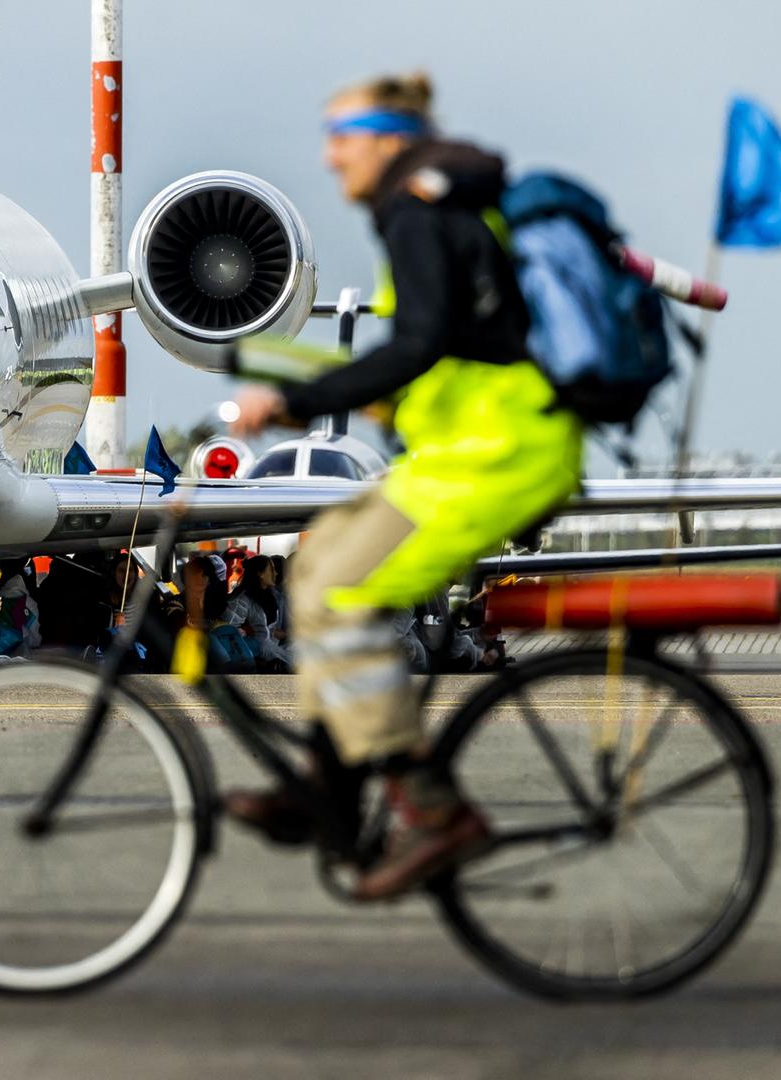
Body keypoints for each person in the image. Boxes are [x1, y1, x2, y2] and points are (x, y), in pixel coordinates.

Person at [225, 71, 584, 901]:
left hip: (498, 455)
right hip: (470, 449)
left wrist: (295, 399)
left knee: (338, 592)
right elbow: (452, 345)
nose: (329, 155)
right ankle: (329, 792)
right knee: (316, 576)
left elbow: (418, 342)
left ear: (390, 138)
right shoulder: (443, 206)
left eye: (342, 135)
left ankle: (430, 808)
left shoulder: (415, 209)